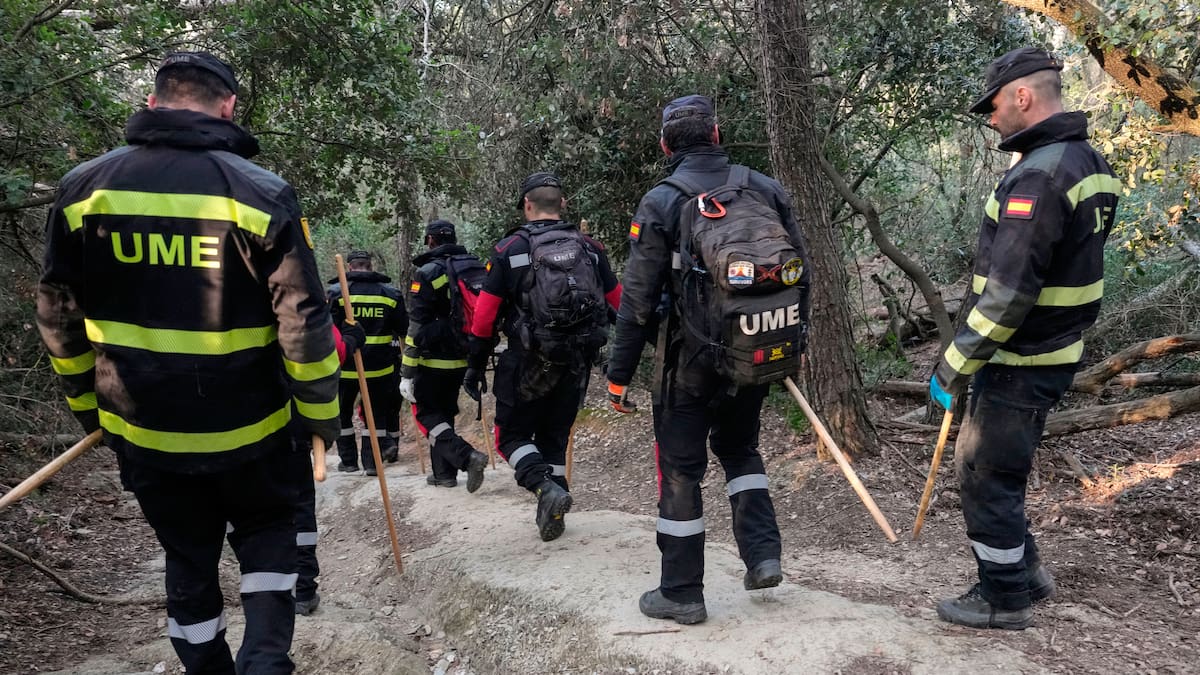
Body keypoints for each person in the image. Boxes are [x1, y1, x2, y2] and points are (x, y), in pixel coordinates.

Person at [36, 52, 340, 673]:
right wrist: (319, 417)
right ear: (228, 107)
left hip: (144, 430)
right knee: (266, 540)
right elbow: (303, 323)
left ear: (152, 102)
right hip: (254, 431)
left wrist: (86, 407)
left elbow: (58, 316)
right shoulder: (261, 193)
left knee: (187, 555)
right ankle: (264, 662)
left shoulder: (82, 193)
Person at [930, 47, 1121, 630]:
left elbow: (1009, 293)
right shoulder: (1085, 160)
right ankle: (1027, 572)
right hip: (1053, 349)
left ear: (1022, 96)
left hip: (1022, 354)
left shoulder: (1038, 175)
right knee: (1002, 468)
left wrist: (954, 365)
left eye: (993, 105)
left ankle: (1004, 595)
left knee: (984, 470)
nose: (990, 118)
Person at [605, 94, 811, 625]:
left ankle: (680, 592)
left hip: (688, 360)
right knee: (741, 451)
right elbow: (801, 272)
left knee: (681, 470)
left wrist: (619, 374)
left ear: (665, 145)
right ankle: (763, 556)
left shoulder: (661, 201)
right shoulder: (763, 187)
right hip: (755, 349)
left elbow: (637, 299)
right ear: (717, 135)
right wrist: (790, 346)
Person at [464, 172, 622, 541]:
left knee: (510, 435)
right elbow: (619, 305)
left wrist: (475, 364)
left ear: (527, 205)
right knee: (554, 437)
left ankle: (545, 489)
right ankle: (553, 516)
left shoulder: (509, 251)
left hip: (529, 360)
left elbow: (485, 316)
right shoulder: (590, 249)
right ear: (563, 204)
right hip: (578, 360)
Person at [399, 219, 489, 490]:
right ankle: (443, 474)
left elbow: (417, 325)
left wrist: (407, 372)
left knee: (426, 414)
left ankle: (467, 457)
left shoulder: (427, 272)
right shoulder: (472, 267)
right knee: (444, 414)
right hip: (465, 356)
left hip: (432, 359)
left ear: (430, 241)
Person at [328, 250, 407, 475]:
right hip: (380, 369)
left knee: (343, 414)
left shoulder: (336, 294)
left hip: (344, 368)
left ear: (350, 268)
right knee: (376, 416)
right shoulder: (391, 295)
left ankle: (349, 461)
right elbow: (403, 330)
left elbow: (328, 333)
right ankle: (372, 463)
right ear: (370, 266)